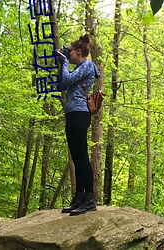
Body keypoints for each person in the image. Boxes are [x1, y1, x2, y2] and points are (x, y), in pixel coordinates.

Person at [57, 34, 101, 216]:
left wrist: (65, 62)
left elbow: (67, 80)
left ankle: (89, 199)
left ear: (80, 52)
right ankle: (80, 197)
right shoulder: (80, 68)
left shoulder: (88, 65)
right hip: (72, 113)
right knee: (76, 157)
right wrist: (63, 64)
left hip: (80, 114)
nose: (69, 55)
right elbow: (63, 84)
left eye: (71, 52)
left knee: (82, 156)